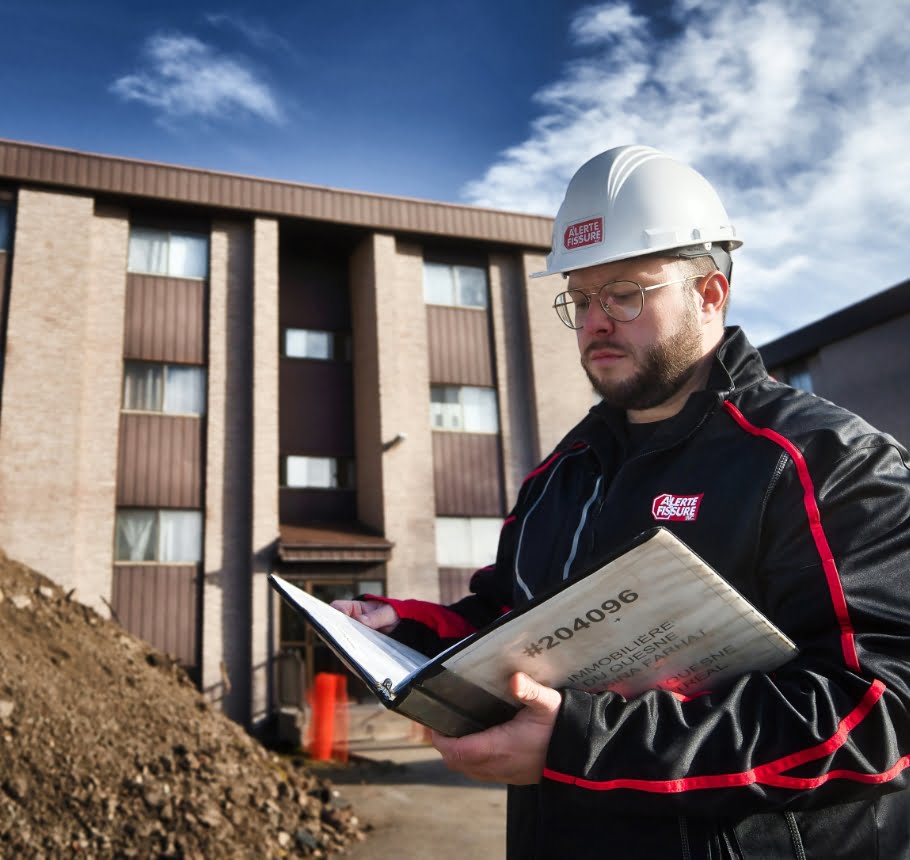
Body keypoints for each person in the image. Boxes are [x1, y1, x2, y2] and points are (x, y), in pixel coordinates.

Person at [333, 145, 910, 859]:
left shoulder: (822, 461)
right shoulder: (559, 475)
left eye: (627, 293)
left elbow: (883, 712)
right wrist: (406, 631)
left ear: (709, 295)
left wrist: (586, 745)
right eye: (580, 298)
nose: (595, 321)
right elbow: (506, 621)